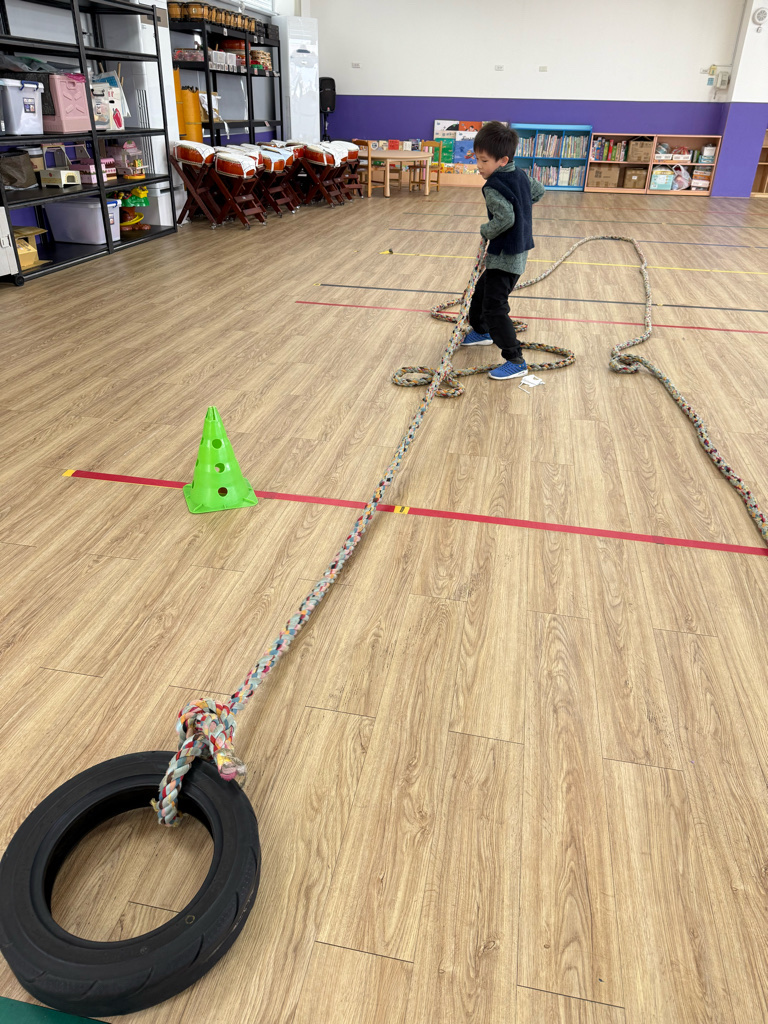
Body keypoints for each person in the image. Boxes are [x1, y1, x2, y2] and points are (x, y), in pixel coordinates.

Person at [462, 122, 545, 380]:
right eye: (477, 159)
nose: (479, 165)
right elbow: (538, 191)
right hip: (516, 251)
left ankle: (515, 359)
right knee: (482, 292)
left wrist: (486, 230)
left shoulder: (493, 186)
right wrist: (522, 205)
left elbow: (505, 219)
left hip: (505, 255)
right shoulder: (519, 174)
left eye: (484, 161)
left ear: (503, 160)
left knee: (495, 306)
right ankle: (481, 331)